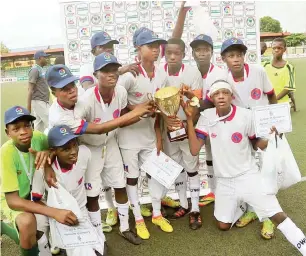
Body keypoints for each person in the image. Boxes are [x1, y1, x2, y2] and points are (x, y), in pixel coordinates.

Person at [182, 80, 306, 256]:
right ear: (212, 98)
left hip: (248, 176)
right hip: (224, 182)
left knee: (276, 215)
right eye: (217, 94)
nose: (221, 96)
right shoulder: (207, 117)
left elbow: (258, 145)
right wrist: (188, 119)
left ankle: (303, 246)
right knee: (223, 226)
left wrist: (272, 136)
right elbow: (194, 149)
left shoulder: (246, 116)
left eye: (225, 92)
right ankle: (242, 205)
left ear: (232, 96)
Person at [45, 62, 152, 245]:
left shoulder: (82, 99)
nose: (72, 91)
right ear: (53, 91)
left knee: (120, 184)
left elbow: (110, 121)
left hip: (109, 144)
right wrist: (138, 111)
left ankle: (125, 227)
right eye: (64, 89)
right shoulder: (59, 116)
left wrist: (141, 111)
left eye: (72, 85)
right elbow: (99, 128)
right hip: (87, 149)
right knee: (92, 194)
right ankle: (96, 234)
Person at [219, 37, 277, 239]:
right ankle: (253, 210)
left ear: (244, 56)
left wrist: (276, 120)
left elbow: (271, 95)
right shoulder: (224, 80)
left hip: (261, 130)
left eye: (239, 55)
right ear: (224, 59)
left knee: (265, 173)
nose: (236, 59)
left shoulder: (258, 71)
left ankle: (267, 217)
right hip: (243, 133)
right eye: (231, 55)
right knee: (250, 172)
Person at [0, 106, 79, 256]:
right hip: (16, 198)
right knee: (27, 223)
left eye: (27, 126)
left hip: (37, 194)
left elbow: (53, 151)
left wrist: (48, 161)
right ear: (8, 133)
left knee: (36, 232)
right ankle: (6, 230)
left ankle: (44, 243)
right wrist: (55, 212)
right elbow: (13, 201)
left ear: (32, 126)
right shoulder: (6, 152)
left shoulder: (39, 137)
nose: (23, 132)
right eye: (16, 128)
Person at [118, 30, 173, 237]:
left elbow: (160, 107)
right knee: (132, 179)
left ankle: (157, 214)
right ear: (138, 49)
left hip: (150, 137)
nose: (156, 49)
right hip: (128, 139)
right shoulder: (129, 76)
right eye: (150, 46)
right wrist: (137, 108)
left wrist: (159, 138)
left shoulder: (162, 74)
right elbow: (117, 110)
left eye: (157, 45)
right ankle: (139, 218)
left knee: (156, 173)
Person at [31, 125, 106, 256]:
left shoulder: (84, 153)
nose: (73, 152)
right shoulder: (43, 169)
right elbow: (36, 200)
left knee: (95, 252)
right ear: (53, 151)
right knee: (39, 224)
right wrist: (54, 213)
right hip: (56, 215)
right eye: (66, 149)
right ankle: (48, 246)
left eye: (74, 145)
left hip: (81, 212)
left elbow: (90, 184)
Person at [156, 37, 203, 229]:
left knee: (191, 167)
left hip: (186, 129)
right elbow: (156, 104)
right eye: (169, 53)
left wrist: (188, 125)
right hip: (168, 130)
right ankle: (183, 203)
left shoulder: (192, 73)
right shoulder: (159, 73)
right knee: (176, 167)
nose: (173, 56)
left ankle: (195, 209)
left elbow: (197, 103)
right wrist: (166, 121)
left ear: (184, 54)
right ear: (164, 54)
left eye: (177, 53)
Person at [190, 34, 226, 207]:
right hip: (194, 121)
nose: (202, 53)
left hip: (214, 121)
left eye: (205, 50)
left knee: (216, 156)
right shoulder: (189, 73)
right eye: (198, 50)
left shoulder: (220, 73)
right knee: (196, 158)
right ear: (193, 53)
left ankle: (221, 191)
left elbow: (218, 99)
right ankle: (212, 190)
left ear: (212, 52)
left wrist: (198, 104)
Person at [263, 38, 297, 111]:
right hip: (266, 103)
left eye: (279, 48)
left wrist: (274, 100)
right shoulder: (264, 65)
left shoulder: (289, 67)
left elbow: (288, 88)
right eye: (274, 48)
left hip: (282, 104)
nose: (276, 50)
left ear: (284, 49)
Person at [27, 50, 50, 132]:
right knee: (51, 122)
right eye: (45, 57)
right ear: (40, 58)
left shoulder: (40, 69)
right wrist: (28, 107)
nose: (47, 59)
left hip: (42, 101)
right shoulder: (35, 70)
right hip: (39, 101)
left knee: (38, 127)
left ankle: (35, 144)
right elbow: (30, 89)